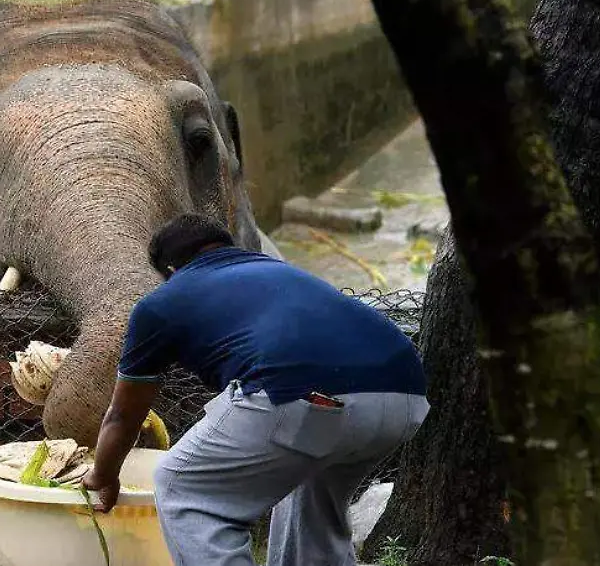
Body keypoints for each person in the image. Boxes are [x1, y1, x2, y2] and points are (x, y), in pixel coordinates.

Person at [82, 214, 430, 566]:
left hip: (306, 395)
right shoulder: (280, 271)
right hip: (405, 397)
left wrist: (104, 474)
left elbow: (124, 414)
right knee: (310, 505)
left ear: (170, 270)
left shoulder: (163, 302)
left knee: (182, 487)